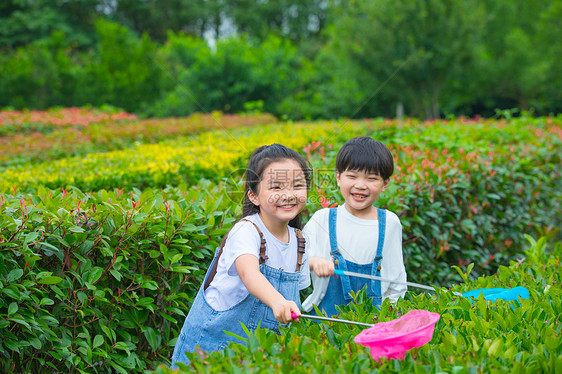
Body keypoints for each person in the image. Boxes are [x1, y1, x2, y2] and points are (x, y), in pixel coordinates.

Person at [171, 143, 311, 368]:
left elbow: (298, 295)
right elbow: (249, 273)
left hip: (258, 358)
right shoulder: (246, 230)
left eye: (297, 185)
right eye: (276, 187)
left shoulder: (300, 241)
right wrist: (277, 302)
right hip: (211, 352)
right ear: (254, 196)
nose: (288, 195)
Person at [302, 136, 407, 317]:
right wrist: (314, 262)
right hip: (323, 321)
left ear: (385, 184)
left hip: (372, 322)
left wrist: (389, 318)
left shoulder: (389, 223)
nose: (360, 185)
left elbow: (396, 283)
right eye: (352, 176)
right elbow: (292, 260)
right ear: (338, 178)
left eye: (372, 178)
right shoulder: (323, 219)